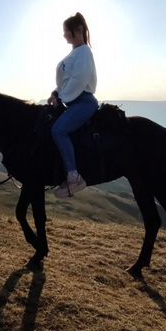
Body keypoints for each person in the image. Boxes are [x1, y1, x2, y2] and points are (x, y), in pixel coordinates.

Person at [48, 12, 99, 198]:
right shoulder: (75, 53)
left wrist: (62, 97)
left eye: (65, 31)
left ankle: (74, 177)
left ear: (77, 30)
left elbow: (80, 79)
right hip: (73, 100)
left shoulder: (84, 51)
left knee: (58, 130)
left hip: (83, 102)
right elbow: (67, 80)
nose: (63, 35)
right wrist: (56, 93)